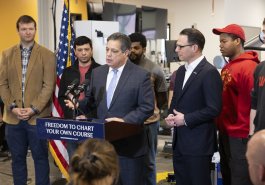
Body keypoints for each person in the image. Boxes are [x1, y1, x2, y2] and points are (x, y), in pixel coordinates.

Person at [66, 32, 154, 185]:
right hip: (101, 148)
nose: (108, 54)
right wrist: (79, 105)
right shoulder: (98, 73)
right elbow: (91, 102)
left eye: (114, 51)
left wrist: (124, 121)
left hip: (129, 148)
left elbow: (147, 107)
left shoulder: (141, 75)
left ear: (126, 53)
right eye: (107, 49)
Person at [0, 15, 56, 185]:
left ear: (35, 30)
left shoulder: (47, 55)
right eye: (24, 29)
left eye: (31, 28)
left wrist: (33, 109)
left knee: (40, 159)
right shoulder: (6, 54)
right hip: (13, 118)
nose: (27, 32)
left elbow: (49, 86)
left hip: (37, 117)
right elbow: (2, 84)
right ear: (18, 30)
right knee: (17, 159)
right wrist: (12, 107)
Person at [165, 28, 222, 185]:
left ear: (195, 47)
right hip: (180, 141)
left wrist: (186, 119)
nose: (176, 50)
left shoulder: (209, 72)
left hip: (198, 145)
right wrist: (170, 115)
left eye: (180, 46)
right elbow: (176, 99)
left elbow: (214, 108)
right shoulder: (181, 71)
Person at [213, 24, 260, 185]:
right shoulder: (227, 67)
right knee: (228, 177)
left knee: (240, 180)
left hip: (241, 135)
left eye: (224, 41)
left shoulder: (249, 67)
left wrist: (251, 135)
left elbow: (254, 104)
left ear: (237, 41)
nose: (220, 45)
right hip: (226, 133)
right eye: (220, 41)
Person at [128, 32, 168, 185]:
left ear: (144, 49)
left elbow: (162, 97)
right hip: (127, 122)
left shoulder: (154, 70)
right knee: (129, 160)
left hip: (149, 123)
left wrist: (151, 111)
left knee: (149, 162)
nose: (132, 51)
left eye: (136, 48)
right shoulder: (124, 67)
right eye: (130, 47)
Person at [58, 36, 100, 159]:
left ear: (91, 50)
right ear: (75, 52)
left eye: (86, 49)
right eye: (80, 50)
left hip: (92, 123)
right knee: (74, 161)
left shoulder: (101, 70)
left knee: (92, 162)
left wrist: (87, 116)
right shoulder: (68, 72)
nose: (83, 53)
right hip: (72, 123)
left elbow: (102, 100)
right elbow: (62, 96)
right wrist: (72, 114)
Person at [250, 18, 265, 133]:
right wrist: (251, 135)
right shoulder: (260, 68)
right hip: (259, 135)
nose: (264, 36)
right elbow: (254, 105)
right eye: (263, 32)